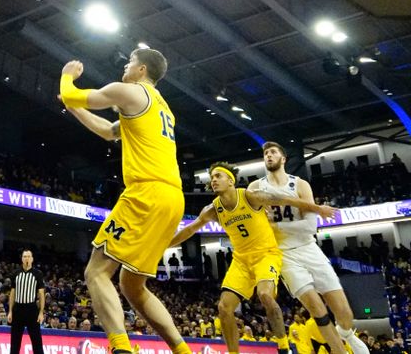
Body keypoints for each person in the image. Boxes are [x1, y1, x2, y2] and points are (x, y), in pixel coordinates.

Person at [59, 49, 192, 354]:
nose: (125, 65)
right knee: (133, 287)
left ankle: (120, 348)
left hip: (146, 193)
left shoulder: (128, 91)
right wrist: (75, 108)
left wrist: (68, 74)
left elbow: (71, 93)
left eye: (130, 61)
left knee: (96, 272)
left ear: (142, 69)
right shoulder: (162, 108)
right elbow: (108, 132)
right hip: (173, 199)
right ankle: (182, 350)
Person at [170, 161, 336, 354]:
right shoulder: (212, 209)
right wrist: (163, 246)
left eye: (218, 176)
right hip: (241, 260)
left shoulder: (249, 196)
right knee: (224, 307)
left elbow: (284, 199)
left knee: (264, 294)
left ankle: (283, 347)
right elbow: (189, 229)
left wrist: (317, 208)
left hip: (266, 255)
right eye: (212, 177)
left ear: (231, 181)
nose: (213, 180)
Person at [256, 141, 370, 354]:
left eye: (273, 152)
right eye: (265, 153)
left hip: (309, 248)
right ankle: (340, 351)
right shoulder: (256, 188)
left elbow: (309, 226)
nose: (268, 156)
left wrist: (274, 225)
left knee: (344, 313)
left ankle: (345, 333)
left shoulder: (299, 185)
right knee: (315, 306)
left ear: (283, 159)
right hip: (284, 255)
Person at [8, 250, 45, 354]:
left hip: (31, 309)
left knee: (37, 341)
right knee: (15, 342)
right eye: (24, 256)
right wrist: (10, 311)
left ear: (32, 259)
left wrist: (41, 312)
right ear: (22, 259)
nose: (27, 258)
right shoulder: (15, 273)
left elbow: (41, 294)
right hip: (18, 309)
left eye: (29, 256)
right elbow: (12, 293)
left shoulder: (37, 274)